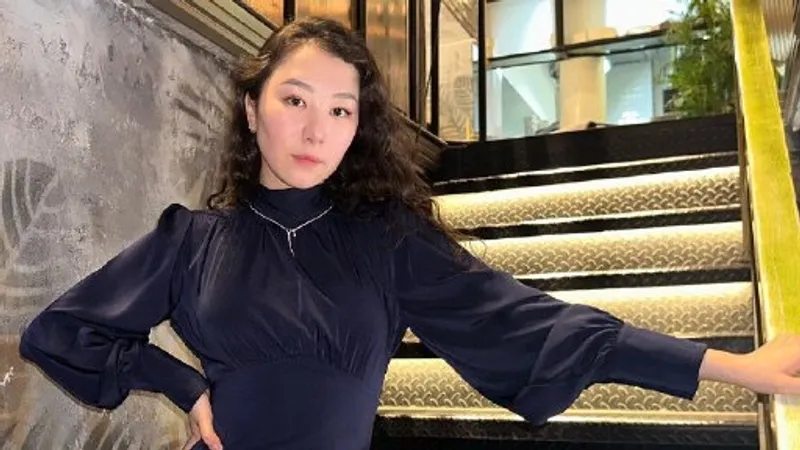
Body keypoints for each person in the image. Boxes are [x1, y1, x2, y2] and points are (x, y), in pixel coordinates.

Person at [18, 17, 800, 450]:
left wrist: (736, 367)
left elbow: (537, 324)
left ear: (357, 126)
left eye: (340, 110)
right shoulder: (192, 239)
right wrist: (185, 387)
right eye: (294, 101)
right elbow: (60, 331)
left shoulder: (386, 239)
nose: (316, 130)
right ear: (252, 109)